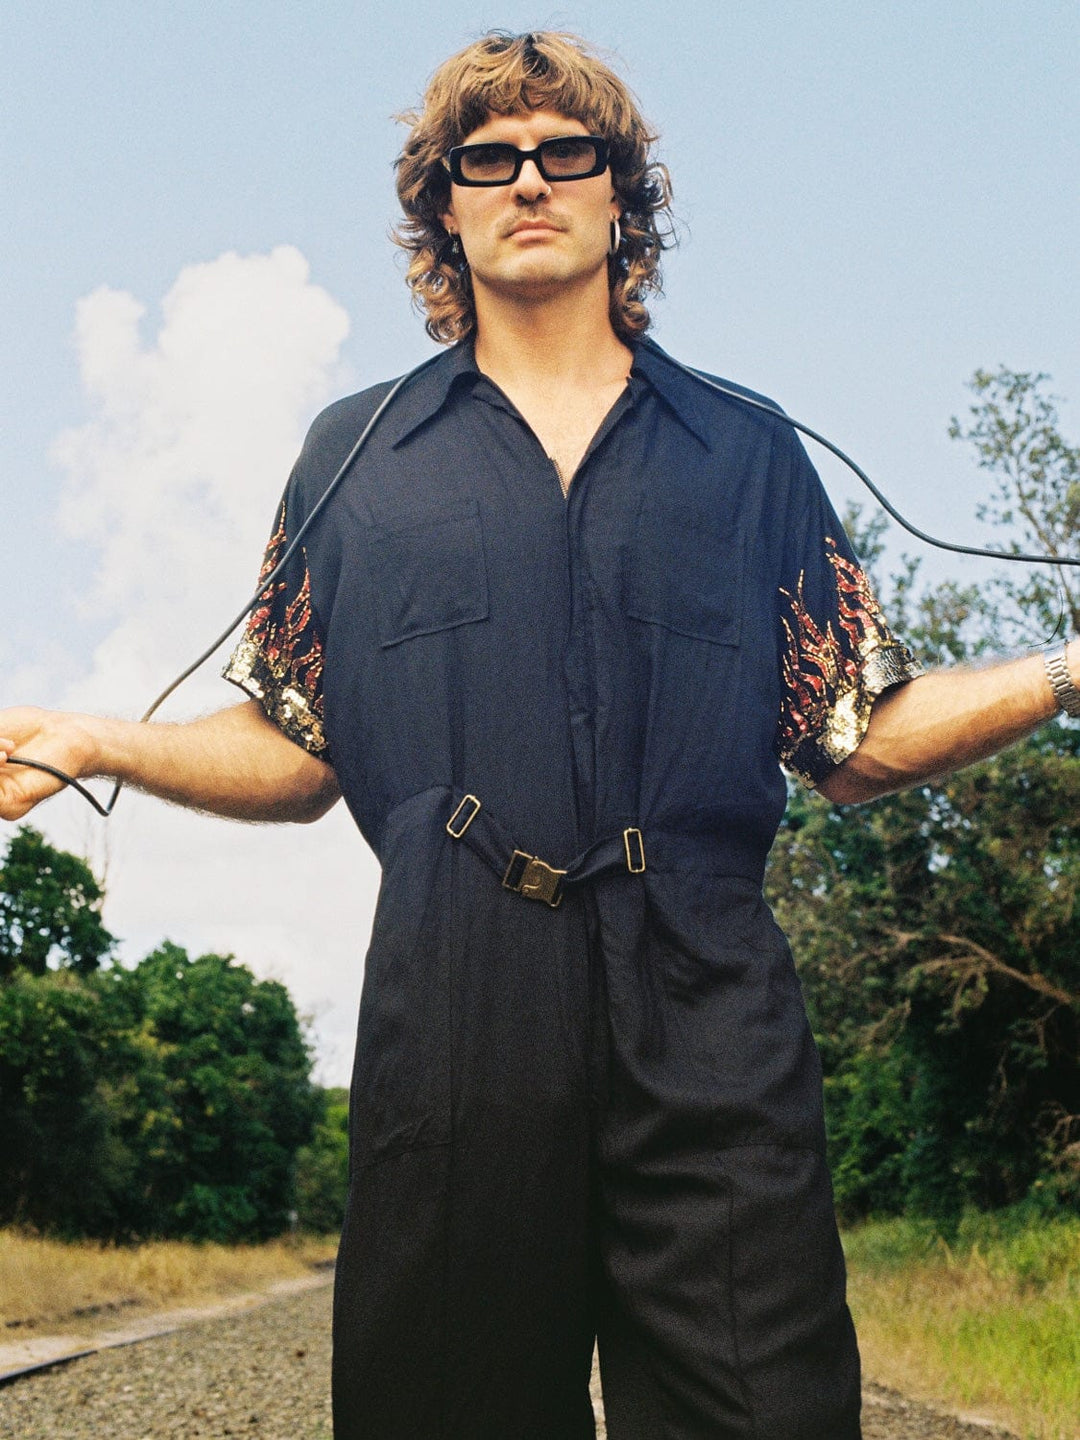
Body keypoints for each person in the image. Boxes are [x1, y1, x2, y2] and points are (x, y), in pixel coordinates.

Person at [1, 29, 1077, 1440]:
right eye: (487, 159)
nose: (528, 181)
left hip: (708, 1014)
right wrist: (98, 741)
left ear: (621, 195)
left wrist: (1066, 670)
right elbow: (298, 747)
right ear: (441, 206)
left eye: (566, 152)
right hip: (454, 1021)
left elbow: (858, 735)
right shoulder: (354, 462)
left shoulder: (747, 453)